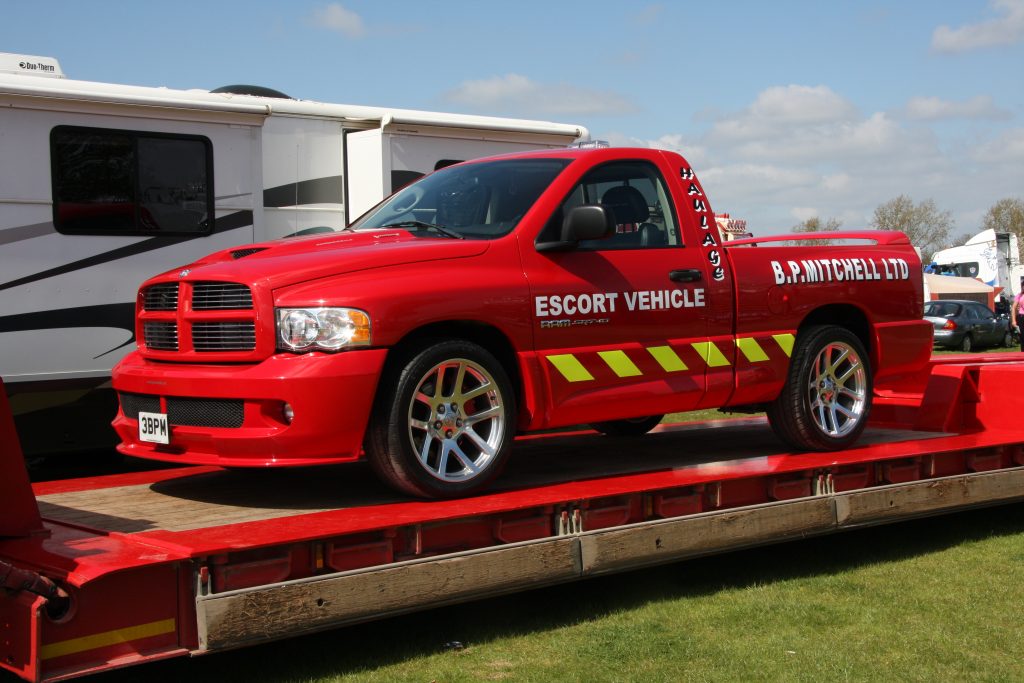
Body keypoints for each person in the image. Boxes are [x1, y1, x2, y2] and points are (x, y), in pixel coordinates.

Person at [1012, 278, 1024, 351]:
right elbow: (1013, 308)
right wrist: (1013, 321)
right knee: (1022, 337)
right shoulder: (1019, 296)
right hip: (1021, 317)